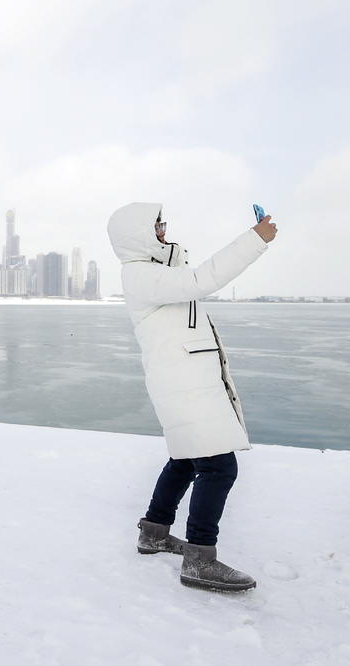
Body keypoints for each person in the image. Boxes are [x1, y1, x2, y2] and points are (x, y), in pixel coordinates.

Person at [107, 202, 277, 592]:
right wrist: (255, 239)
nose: (164, 230)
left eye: (162, 224)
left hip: (186, 380)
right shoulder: (142, 275)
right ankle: (200, 559)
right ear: (139, 235)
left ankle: (153, 533)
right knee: (219, 467)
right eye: (156, 226)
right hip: (182, 384)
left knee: (185, 460)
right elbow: (203, 280)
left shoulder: (161, 271)